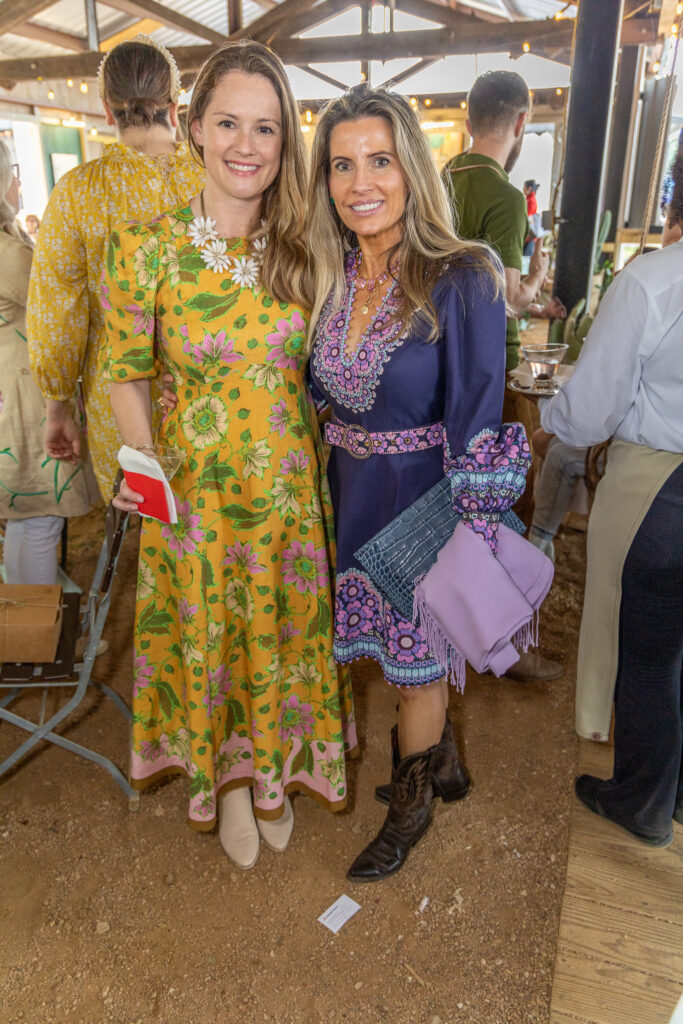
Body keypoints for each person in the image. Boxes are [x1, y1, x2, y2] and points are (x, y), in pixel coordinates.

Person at [104, 41, 356, 869]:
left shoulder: (308, 248)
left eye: (267, 129)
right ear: (192, 126)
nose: (246, 146)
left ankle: (278, 773)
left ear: (286, 144)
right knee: (216, 643)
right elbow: (125, 375)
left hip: (287, 494)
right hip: (195, 498)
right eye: (228, 124)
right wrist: (151, 478)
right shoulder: (143, 247)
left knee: (279, 636)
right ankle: (235, 785)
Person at [306, 84, 532, 882]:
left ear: (411, 166)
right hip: (348, 498)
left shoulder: (461, 273)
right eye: (341, 165)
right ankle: (443, 763)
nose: (360, 182)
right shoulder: (327, 274)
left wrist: (467, 529)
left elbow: (475, 407)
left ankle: (408, 812)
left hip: (422, 503)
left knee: (413, 670)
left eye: (379, 160)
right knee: (401, 665)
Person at [540, 153, 683, 847]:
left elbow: (590, 412)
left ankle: (640, 800)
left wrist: (548, 420)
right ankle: (677, 792)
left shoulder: (654, 282)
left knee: (648, 650)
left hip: (659, 486)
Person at [27, 35, 206, 503]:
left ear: (107, 109)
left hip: (121, 402)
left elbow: (56, 316)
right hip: (216, 388)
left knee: (146, 525)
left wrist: (58, 407)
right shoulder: (215, 177)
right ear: (174, 102)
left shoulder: (77, 193)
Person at [444, 70, 566, 681]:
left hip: (439, 364)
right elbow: (510, 300)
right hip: (492, 369)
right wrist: (538, 278)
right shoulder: (504, 196)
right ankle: (504, 640)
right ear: (520, 124)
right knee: (504, 498)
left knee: (451, 500)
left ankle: (457, 619)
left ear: (469, 119)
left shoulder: (438, 179)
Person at [0, 143, 96, 584]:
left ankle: (27, 633)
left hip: (12, 389)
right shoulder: (9, 255)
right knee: (39, 519)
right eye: (13, 172)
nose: (19, 181)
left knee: (26, 523)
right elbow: (59, 309)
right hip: (26, 397)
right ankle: (34, 638)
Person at [522, 179, 542, 257]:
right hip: (528, 236)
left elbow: (526, 215)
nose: (523, 189)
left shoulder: (531, 201)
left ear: (529, 188)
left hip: (530, 237)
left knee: (525, 258)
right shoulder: (528, 199)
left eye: (524, 187)